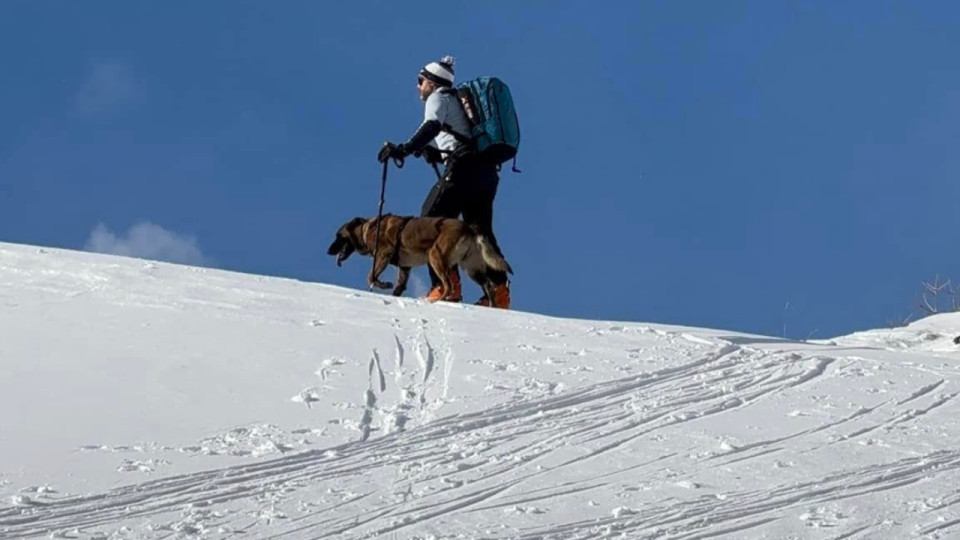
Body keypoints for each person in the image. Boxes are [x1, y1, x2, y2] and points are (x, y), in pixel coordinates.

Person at [377, 56, 511, 309]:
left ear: (432, 82)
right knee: (479, 231)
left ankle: (446, 287)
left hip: (463, 168)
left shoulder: (438, 97)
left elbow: (431, 126)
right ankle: (499, 294)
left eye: (420, 80)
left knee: (430, 222)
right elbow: (458, 139)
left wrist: (403, 149)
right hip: (485, 172)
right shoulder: (458, 102)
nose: (418, 86)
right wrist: (435, 153)